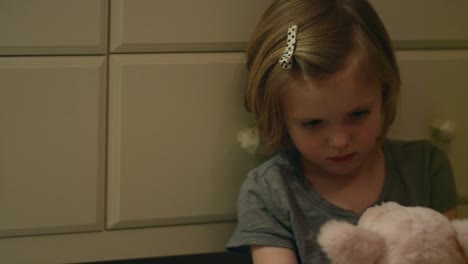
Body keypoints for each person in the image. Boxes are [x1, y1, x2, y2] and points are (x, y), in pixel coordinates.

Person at [225, 0, 459, 263]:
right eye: (313, 123)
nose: (340, 141)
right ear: (280, 118)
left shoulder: (425, 169)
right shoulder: (271, 192)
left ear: (384, 93)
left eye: (357, 114)